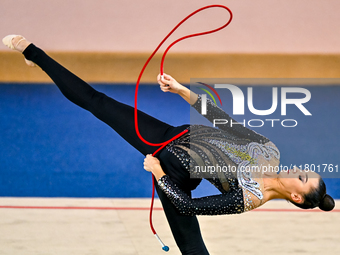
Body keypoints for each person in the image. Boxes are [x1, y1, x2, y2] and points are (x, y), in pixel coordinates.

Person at [3, 35, 335, 255]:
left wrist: (160, 171)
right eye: (306, 170)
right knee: (97, 102)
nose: (298, 170)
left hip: (171, 171)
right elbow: (221, 120)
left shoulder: (250, 197)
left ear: (295, 196)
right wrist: (180, 90)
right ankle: (34, 54)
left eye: (303, 179)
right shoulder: (269, 152)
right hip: (170, 135)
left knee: (193, 248)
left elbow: (189, 207)